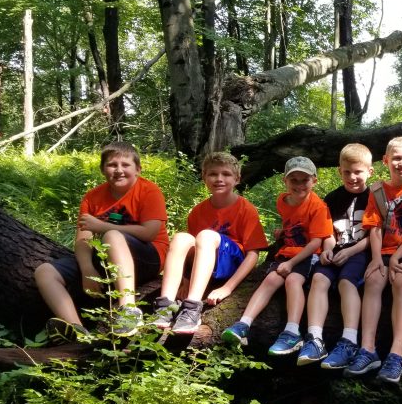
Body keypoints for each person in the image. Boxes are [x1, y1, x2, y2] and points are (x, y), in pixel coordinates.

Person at [37, 142, 169, 340]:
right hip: (109, 256)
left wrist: (102, 226)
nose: (118, 170)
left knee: (111, 236)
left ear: (138, 170)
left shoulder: (149, 191)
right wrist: (88, 270)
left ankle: (128, 310)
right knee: (45, 271)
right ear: (102, 169)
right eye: (112, 165)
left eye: (125, 165)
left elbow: (149, 233)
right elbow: (83, 239)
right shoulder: (92, 197)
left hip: (149, 257)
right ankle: (76, 330)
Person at [344, 137, 402, 384]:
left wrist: (396, 256)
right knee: (373, 281)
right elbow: (374, 228)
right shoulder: (377, 191)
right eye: (396, 158)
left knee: (401, 279)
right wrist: (376, 258)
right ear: (386, 161)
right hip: (384, 250)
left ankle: (397, 353)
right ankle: (368, 349)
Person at [220, 157, 332, 355]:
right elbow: (293, 223)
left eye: (304, 180)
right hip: (287, 253)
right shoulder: (283, 201)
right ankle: (243, 324)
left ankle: (292, 332)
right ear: (285, 181)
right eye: (293, 180)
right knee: (270, 279)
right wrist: (283, 231)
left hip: (307, 255)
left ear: (314, 181)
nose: (298, 185)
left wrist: (292, 264)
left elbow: (316, 242)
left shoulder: (318, 207)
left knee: (293, 281)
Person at [151, 152, 268, 335]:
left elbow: (253, 253)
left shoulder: (246, 209)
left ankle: (192, 307)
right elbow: (191, 252)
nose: (219, 179)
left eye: (226, 174)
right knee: (182, 238)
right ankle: (165, 305)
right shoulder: (198, 211)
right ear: (204, 178)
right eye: (213, 174)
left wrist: (228, 287)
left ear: (237, 179)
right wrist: (185, 281)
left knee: (206, 235)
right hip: (207, 262)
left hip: (230, 263)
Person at [297, 143, 374, 368]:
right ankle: (315, 339)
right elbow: (328, 232)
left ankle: (349, 340)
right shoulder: (331, 199)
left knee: (345, 282)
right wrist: (329, 248)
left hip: (361, 252)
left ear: (369, 171)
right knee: (319, 279)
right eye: (347, 172)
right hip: (337, 251)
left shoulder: (374, 197)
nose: (352, 177)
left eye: (358, 172)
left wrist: (350, 251)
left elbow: (375, 236)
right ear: (339, 171)